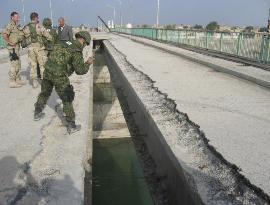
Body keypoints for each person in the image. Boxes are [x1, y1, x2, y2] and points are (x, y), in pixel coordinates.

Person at [34, 31, 94, 134]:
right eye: (86, 44)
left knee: (45, 92)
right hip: (59, 76)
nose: (85, 46)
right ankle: (71, 125)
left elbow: (52, 51)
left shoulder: (66, 42)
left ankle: (37, 112)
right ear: (83, 41)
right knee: (67, 98)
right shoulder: (76, 51)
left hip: (48, 70)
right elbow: (80, 70)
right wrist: (88, 63)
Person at [23, 12, 52, 88]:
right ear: (35, 18)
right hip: (39, 49)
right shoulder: (39, 26)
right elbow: (48, 36)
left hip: (30, 49)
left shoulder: (26, 27)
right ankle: (44, 81)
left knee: (33, 65)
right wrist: (50, 39)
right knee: (42, 65)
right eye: (37, 17)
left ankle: (34, 82)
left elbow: (22, 37)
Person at [2, 11, 25, 88]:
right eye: (17, 17)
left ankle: (17, 79)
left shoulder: (16, 25)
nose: (18, 18)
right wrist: (10, 42)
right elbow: (4, 34)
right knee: (14, 64)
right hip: (12, 48)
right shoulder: (10, 25)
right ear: (12, 17)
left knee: (18, 63)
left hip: (17, 47)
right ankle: (12, 81)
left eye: (18, 17)